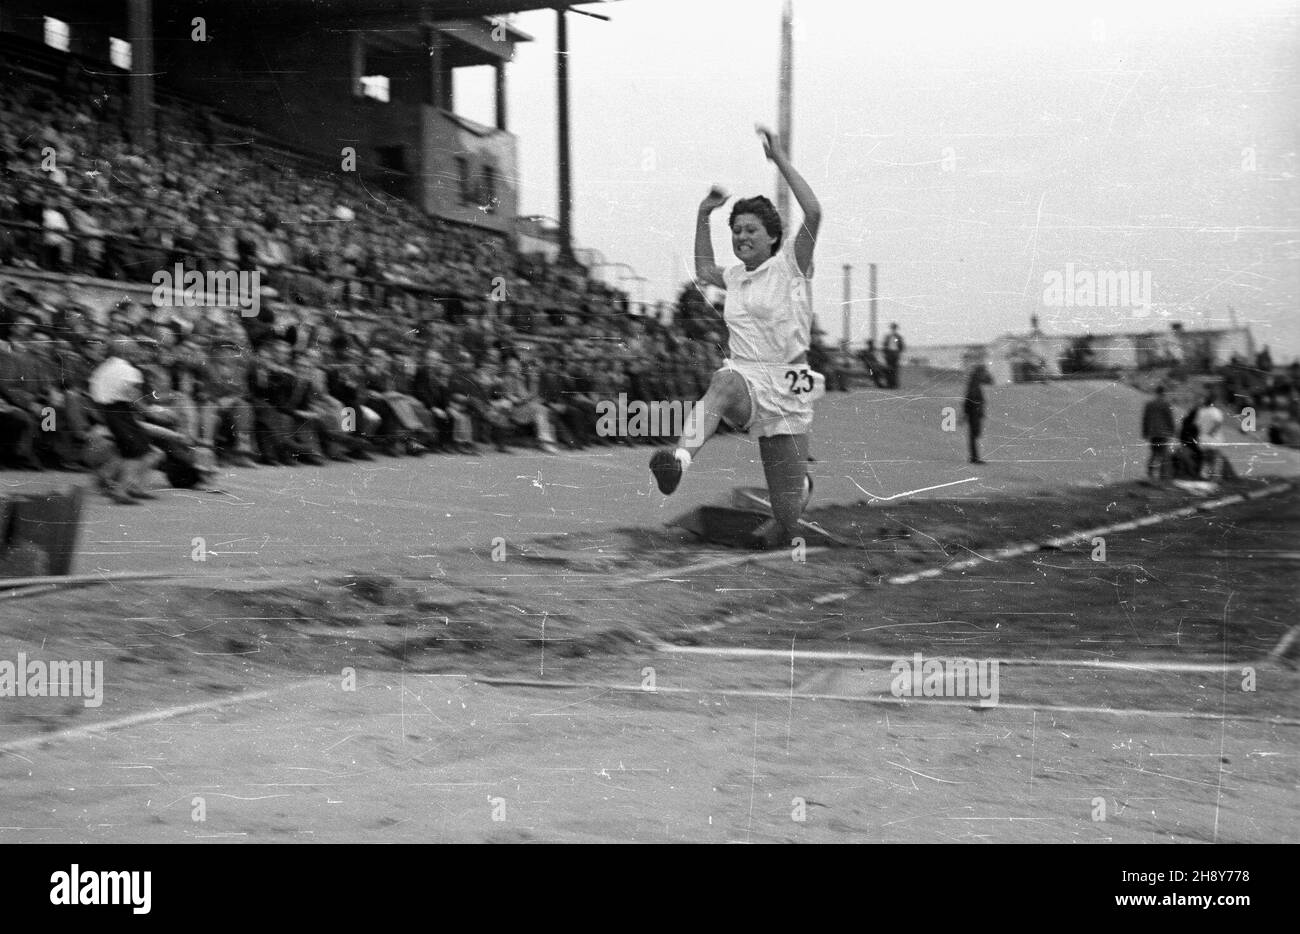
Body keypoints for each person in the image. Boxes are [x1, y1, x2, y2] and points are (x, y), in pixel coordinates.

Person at [649, 125, 822, 546]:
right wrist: (702, 215)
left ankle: (798, 491)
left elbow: (814, 212)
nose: (742, 237)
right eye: (737, 230)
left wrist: (778, 158)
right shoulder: (735, 277)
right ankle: (679, 459)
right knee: (722, 381)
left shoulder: (791, 265)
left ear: (772, 235)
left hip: (787, 386)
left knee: (784, 523)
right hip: (745, 379)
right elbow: (705, 268)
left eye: (750, 230)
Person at [1140, 385, 1176, 479]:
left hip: (1153, 432)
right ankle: (1163, 475)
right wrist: (1172, 430)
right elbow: (1169, 418)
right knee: (1164, 453)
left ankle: (1150, 472)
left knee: (1154, 453)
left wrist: (1145, 432)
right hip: (1163, 432)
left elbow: (1145, 419)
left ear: (1156, 392)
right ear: (1163, 393)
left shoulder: (1149, 404)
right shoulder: (1166, 404)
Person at [961, 363, 994, 464]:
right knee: (974, 435)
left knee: (974, 435)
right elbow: (971, 399)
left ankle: (974, 457)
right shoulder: (974, 383)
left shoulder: (974, 381)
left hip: (974, 412)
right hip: (974, 413)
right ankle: (974, 458)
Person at [882, 322, 905, 388]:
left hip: (895, 354)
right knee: (889, 369)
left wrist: (898, 352)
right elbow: (884, 345)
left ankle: (894, 384)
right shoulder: (888, 336)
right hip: (889, 354)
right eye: (892, 328)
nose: (893, 329)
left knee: (894, 369)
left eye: (894, 328)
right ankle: (889, 383)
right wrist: (885, 353)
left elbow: (901, 346)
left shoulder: (898, 337)